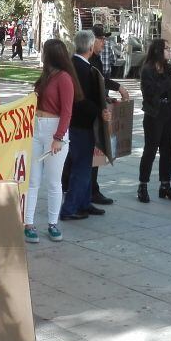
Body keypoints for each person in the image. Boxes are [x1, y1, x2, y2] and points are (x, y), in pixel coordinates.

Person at [24, 39, 81, 244]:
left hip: (54, 130)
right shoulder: (47, 76)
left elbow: (67, 111)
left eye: (43, 51)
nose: (41, 54)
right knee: (33, 179)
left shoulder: (64, 78)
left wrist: (58, 137)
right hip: (37, 127)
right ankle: (28, 223)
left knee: (53, 181)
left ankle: (52, 223)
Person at [61, 30, 112, 221]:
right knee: (81, 168)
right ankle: (71, 207)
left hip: (78, 123)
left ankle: (83, 202)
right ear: (90, 47)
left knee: (83, 166)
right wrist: (100, 111)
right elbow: (80, 100)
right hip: (81, 124)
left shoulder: (74, 65)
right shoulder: (80, 68)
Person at [138, 39, 171, 203]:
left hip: (169, 112)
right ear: (158, 51)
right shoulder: (147, 69)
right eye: (167, 49)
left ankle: (165, 185)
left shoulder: (169, 68)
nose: (169, 52)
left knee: (168, 150)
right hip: (154, 115)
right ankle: (142, 185)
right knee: (150, 150)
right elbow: (151, 91)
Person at [88, 27, 130, 206]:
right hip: (89, 113)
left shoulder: (96, 58)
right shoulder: (86, 59)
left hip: (97, 106)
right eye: (101, 39)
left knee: (94, 153)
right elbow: (96, 81)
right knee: (92, 153)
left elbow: (99, 81)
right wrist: (118, 87)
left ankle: (88, 188)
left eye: (105, 39)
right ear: (92, 40)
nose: (104, 43)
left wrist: (106, 96)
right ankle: (90, 191)